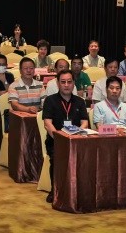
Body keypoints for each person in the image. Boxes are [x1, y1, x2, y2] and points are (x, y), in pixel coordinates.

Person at [40, 70, 90, 203]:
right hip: (56, 141)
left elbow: (85, 122)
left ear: (74, 83)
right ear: (58, 83)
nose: (66, 85)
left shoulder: (80, 101)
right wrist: (60, 138)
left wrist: (77, 135)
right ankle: (55, 190)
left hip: (76, 140)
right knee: (57, 158)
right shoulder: (50, 100)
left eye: (69, 82)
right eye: (63, 82)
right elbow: (47, 123)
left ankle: (80, 190)